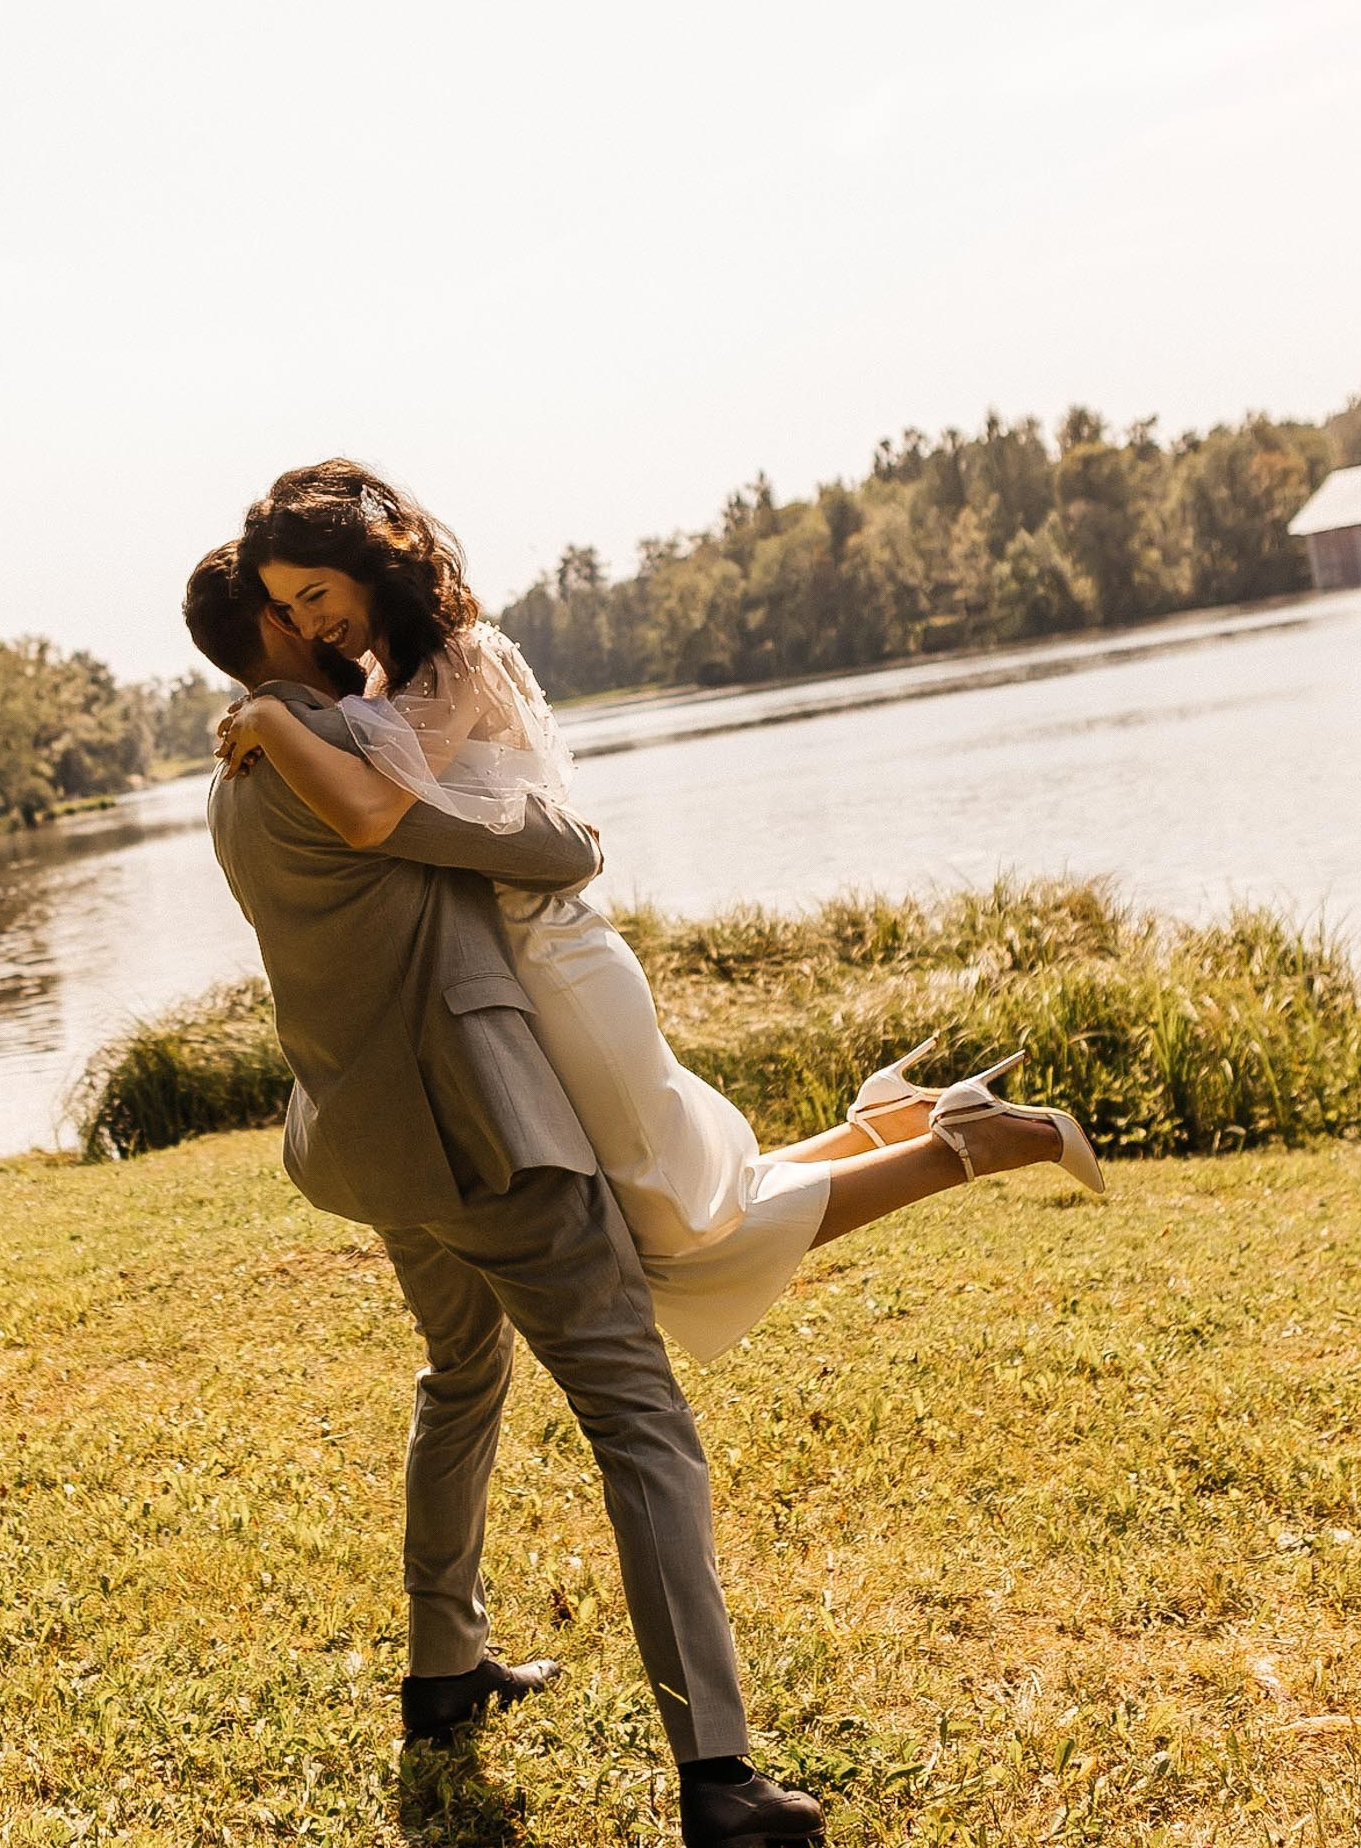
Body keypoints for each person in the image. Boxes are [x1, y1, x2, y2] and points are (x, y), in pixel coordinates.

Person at [185, 541, 828, 1848]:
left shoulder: (232, 782)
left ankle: (441, 1666)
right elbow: (525, 841)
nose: (325, 623)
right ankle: (718, 1782)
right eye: (300, 610)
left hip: (369, 1143)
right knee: (638, 1423)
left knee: (462, 1372)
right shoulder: (320, 760)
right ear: (271, 637)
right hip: (483, 1138)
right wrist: (571, 836)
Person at [219, 459, 1104, 1369]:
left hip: (553, 962)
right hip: (506, 979)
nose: (310, 621)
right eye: (290, 610)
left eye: (316, 592)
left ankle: (980, 1140)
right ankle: (893, 1120)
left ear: (373, 559)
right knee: (664, 1213)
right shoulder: (387, 679)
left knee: (679, 1229)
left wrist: (273, 721)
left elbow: (371, 814)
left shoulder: (458, 660)